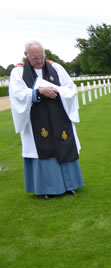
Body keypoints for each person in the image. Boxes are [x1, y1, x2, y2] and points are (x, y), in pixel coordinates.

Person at [9, 40, 83, 199]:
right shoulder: (18, 72)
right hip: (36, 119)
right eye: (35, 58)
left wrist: (55, 90)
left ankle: (70, 185)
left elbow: (70, 88)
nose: (40, 61)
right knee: (43, 147)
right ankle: (48, 188)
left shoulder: (56, 68)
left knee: (64, 143)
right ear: (26, 55)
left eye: (42, 57)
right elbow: (17, 95)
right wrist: (39, 91)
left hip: (59, 116)